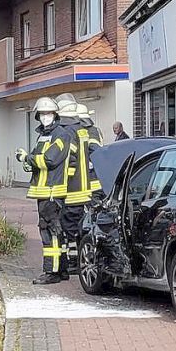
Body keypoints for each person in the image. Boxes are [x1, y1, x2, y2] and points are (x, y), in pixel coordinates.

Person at [15, 97, 72, 285]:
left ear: (55, 115)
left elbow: (50, 159)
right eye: (42, 114)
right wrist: (29, 163)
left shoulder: (61, 135)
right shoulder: (43, 135)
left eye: (48, 113)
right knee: (54, 230)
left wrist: (27, 158)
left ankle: (52, 271)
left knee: (50, 231)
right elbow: (38, 159)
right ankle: (61, 269)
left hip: (52, 191)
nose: (45, 117)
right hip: (44, 191)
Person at [59, 101, 104, 274]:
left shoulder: (76, 133)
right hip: (92, 185)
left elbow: (81, 157)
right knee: (85, 222)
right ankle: (80, 258)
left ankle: (74, 260)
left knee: (72, 225)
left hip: (79, 187)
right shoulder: (91, 131)